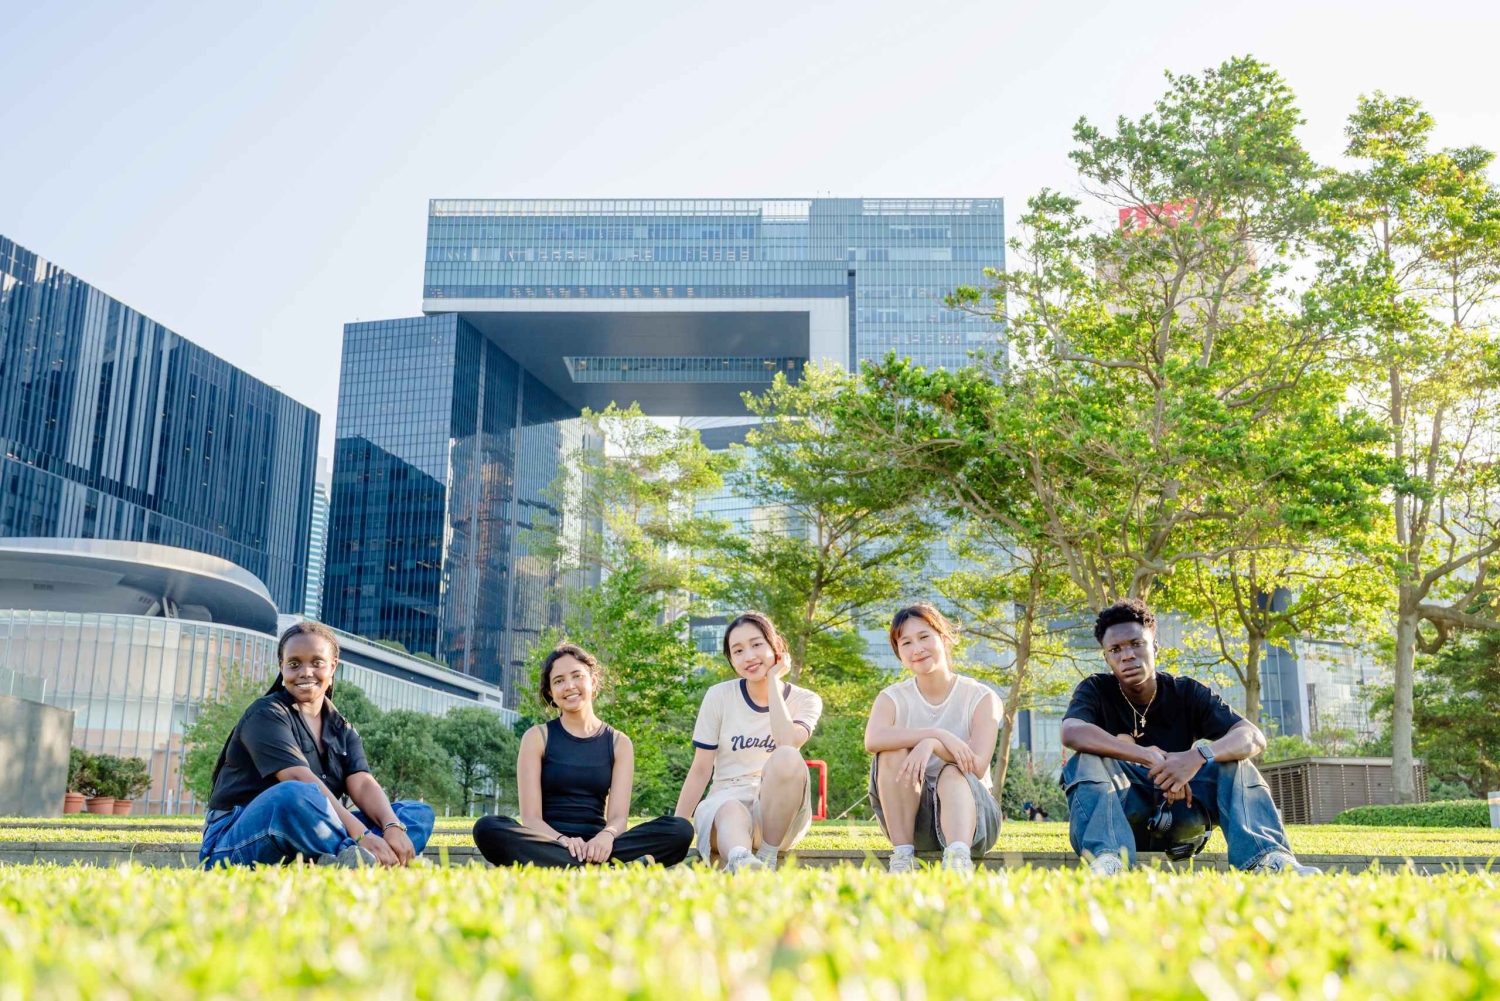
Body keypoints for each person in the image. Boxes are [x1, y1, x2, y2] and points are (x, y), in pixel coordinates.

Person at [1060, 598, 1320, 877]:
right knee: (1085, 760)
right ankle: (1108, 861)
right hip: (1121, 814)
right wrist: (1149, 758)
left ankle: (1267, 859)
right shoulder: (1095, 689)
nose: (1127, 656)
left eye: (1136, 644)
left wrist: (1196, 758)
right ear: (1107, 658)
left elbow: (1253, 736)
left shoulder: (1187, 692)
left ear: (1154, 646)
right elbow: (1072, 731)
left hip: (1182, 815)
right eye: (1115, 649)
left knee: (1236, 763)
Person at [199, 621, 434, 869]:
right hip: (234, 842)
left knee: (416, 814)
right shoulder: (265, 714)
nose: (305, 672)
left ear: (333, 666)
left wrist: (391, 826)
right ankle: (358, 859)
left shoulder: (341, 728)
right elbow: (298, 778)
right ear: (281, 667)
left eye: (317, 663)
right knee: (293, 794)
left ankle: (347, 860)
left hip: (311, 834)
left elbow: (363, 783)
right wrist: (362, 835)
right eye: (294, 664)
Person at [472, 644, 694, 867]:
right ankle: (601, 869)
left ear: (593, 680)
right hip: (550, 842)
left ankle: (577, 866)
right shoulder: (536, 737)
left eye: (577, 676)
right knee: (487, 828)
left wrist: (605, 837)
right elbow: (531, 819)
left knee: (680, 830)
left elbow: (618, 819)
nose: (569, 686)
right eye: (559, 681)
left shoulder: (619, 743)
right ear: (550, 692)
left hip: (601, 847)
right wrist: (563, 840)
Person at [675, 612, 824, 872]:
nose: (749, 656)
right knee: (730, 809)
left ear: (776, 646)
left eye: (756, 645)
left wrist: (773, 682)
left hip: (780, 813)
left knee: (787, 756)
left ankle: (767, 856)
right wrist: (675, 828)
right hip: (725, 806)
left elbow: (787, 742)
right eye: (738, 651)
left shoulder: (806, 700)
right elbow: (700, 769)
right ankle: (741, 860)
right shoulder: (719, 696)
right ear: (731, 660)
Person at [864, 603, 1002, 876]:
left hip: (974, 824)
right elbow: (873, 740)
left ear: (944, 638)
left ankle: (958, 860)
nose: (917, 649)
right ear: (899, 652)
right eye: (906, 643)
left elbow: (977, 765)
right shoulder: (892, 698)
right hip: (916, 823)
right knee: (890, 751)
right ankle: (903, 858)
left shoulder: (981, 697)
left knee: (952, 771)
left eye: (924, 637)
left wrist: (934, 745)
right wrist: (935, 734)